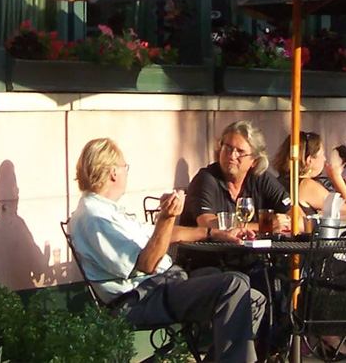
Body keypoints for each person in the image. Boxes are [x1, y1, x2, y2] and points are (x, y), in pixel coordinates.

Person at [67, 138, 265, 363]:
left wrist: (214, 234)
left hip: (165, 285)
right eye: (125, 168)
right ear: (113, 173)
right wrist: (166, 217)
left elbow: (163, 236)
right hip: (143, 298)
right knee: (234, 284)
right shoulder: (94, 218)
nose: (126, 174)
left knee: (252, 298)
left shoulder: (109, 211)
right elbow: (147, 264)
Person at [181, 120, 292, 232]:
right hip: (208, 248)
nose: (232, 156)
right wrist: (265, 226)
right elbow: (208, 224)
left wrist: (284, 221)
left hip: (250, 249)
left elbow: (297, 220)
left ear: (254, 161)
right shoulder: (206, 179)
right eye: (227, 148)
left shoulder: (262, 179)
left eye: (240, 152)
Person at [274, 132, 346, 218]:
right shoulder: (306, 186)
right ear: (309, 160)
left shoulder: (280, 181)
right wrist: (336, 177)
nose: (325, 159)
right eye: (322, 154)